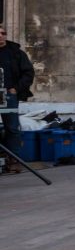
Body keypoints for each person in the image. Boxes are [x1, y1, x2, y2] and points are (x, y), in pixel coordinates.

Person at [0, 23, 35, 156]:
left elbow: (28, 73)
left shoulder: (16, 53)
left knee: (12, 128)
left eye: (3, 33)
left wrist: (16, 89)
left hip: (9, 94)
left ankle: (13, 159)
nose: (1, 36)